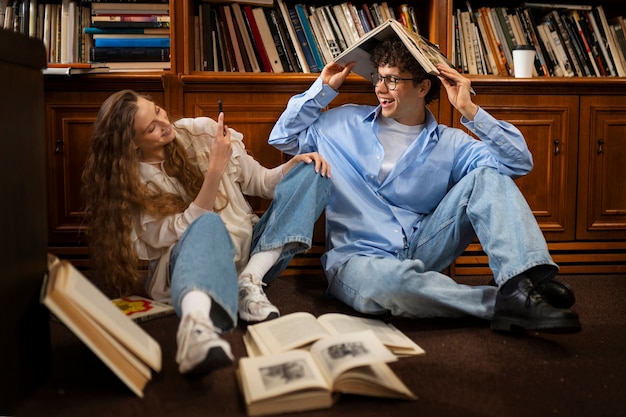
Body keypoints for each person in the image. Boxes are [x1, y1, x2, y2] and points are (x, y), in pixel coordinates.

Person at [268, 40, 581, 333]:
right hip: (359, 259)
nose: (379, 87)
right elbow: (282, 137)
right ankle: (510, 299)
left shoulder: (450, 142)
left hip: (422, 247)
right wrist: (321, 90)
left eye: (392, 79)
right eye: (378, 76)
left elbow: (517, 163)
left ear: (422, 87)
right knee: (388, 288)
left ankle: (519, 279)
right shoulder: (340, 123)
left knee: (489, 174)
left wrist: (469, 109)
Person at [81, 90, 331, 376]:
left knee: (315, 172)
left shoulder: (201, 133)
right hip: (194, 270)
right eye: (151, 128)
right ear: (131, 144)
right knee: (208, 223)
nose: (164, 124)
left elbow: (261, 182)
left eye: (159, 111)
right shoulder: (133, 183)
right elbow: (180, 230)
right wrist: (214, 170)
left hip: (252, 257)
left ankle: (249, 282)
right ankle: (195, 327)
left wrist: (292, 166)